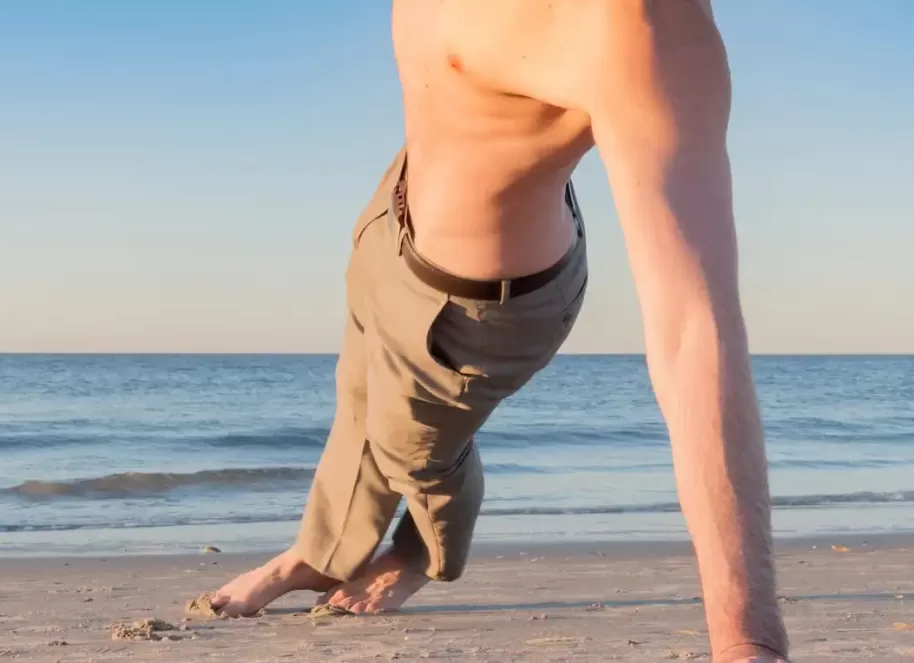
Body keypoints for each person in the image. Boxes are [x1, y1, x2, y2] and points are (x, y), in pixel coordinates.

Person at [206, 1, 790, 661]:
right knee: (360, 397)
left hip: (477, 299)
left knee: (417, 451)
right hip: (395, 213)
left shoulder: (643, 26)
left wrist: (748, 638)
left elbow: (695, 330)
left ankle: (421, 553)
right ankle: (318, 553)